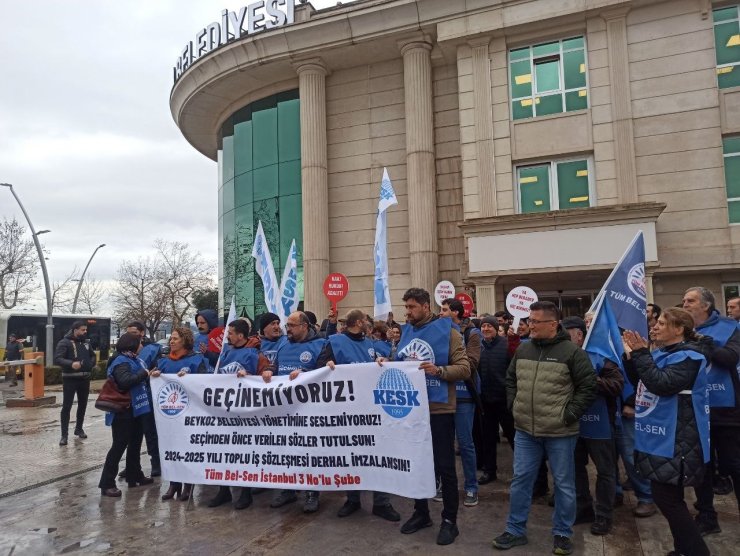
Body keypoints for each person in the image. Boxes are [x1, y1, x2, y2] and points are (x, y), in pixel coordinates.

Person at [493, 301, 596, 555]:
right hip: (526, 431)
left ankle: (562, 533)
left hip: (560, 432)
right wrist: (514, 405)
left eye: (535, 322)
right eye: (530, 320)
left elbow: (588, 387)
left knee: (563, 484)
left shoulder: (572, 353)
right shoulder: (524, 350)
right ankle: (515, 530)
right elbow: (511, 379)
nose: (530, 325)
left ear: (553, 324)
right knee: (520, 482)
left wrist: (569, 415)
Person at [623, 308, 711, 556]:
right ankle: (683, 549)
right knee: (668, 499)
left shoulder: (690, 356)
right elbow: (643, 379)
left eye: (662, 323)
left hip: (678, 439)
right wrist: (631, 357)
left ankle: (697, 552)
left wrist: (641, 354)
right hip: (662, 436)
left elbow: (662, 384)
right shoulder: (663, 352)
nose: (655, 326)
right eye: (657, 322)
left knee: (668, 500)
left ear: (679, 329)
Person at [393, 288, 471, 546]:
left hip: (438, 409)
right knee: (417, 464)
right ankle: (421, 512)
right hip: (412, 410)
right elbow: (400, 365)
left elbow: (464, 368)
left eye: (412, 307)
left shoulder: (448, 333)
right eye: (406, 307)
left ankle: (450, 520)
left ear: (426, 306)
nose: (407, 312)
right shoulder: (406, 333)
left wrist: (439, 370)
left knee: (445, 467)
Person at [315, 309, 400, 522]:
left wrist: (381, 361)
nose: (368, 324)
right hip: (347, 411)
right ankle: (353, 499)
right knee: (351, 456)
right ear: (359, 322)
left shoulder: (369, 342)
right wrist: (327, 366)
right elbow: (318, 368)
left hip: (371, 408)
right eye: (366, 321)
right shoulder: (334, 342)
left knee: (378, 455)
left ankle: (382, 502)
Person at [682, 286, 740, 536]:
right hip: (695, 409)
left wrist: (701, 341)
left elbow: (730, 358)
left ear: (705, 306)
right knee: (702, 468)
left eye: (690, 300)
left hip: (726, 411)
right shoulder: (682, 331)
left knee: (735, 467)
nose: (685, 304)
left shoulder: (730, 328)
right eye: (684, 300)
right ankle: (707, 516)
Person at [562, 316, 622, 536]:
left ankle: (604, 515)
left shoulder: (601, 357)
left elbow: (616, 385)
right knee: (576, 470)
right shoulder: (561, 356)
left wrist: (589, 379)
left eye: (566, 335)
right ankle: (584, 508)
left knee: (605, 472)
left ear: (579, 335)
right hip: (572, 424)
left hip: (600, 425)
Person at [265, 311, 327, 513]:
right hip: (284, 409)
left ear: (304, 326)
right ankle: (288, 489)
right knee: (286, 450)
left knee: (309, 452)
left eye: (291, 325)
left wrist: (306, 375)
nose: (287, 329)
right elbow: (276, 368)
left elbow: (325, 374)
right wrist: (268, 371)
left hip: (310, 409)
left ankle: (311, 493)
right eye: (287, 325)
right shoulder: (283, 343)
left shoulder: (322, 345)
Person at [208, 319, 269, 510]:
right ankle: (224, 491)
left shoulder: (256, 355)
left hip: (246, 414)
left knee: (244, 454)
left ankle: (245, 493)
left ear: (241, 335)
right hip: (227, 412)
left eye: (231, 333)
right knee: (223, 452)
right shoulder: (226, 353)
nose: (227, 336)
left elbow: (268, 377)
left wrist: (252, 377)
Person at [150, 327, 208, 502]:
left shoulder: (197, 360)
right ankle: (174, 484)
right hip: (169, 415)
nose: (171, 341)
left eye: (175, 338)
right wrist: (154, 376)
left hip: (189, 413)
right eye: (171, 339)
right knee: (172, 448)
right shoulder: (163, 362)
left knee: (188, 448)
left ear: (185, 340)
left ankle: (188, 484)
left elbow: (204, 384)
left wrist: (190, 378)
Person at [98, 333, 154, 497]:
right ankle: (107, 483)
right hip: (123, 411)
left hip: (136, 409)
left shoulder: (134, 360)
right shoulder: (120, 362)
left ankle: (134, 474)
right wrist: (145, 374)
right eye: (139, 343)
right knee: (119, 446)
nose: (142, 346)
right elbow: (124, 382)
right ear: (132, 346)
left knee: (135, 444)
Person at [440, 297, 481, 507]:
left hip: (464, 395)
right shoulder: (438, 332)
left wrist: (443, 366)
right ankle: (444, 485)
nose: (441, 313)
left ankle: (472, 487)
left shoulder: (472, 333)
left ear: (456, 313)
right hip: (442, 395)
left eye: (445, 310)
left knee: (465, 444)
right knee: (443, 444)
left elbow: (471, 363)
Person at [120, 321, 161, 477]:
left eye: (134, 332)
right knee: (132, 435)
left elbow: (157, 368)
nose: (131, 335)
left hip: (147, 396)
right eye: (128, 332)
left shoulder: (152, 350)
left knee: (149, 431)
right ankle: (132, 465)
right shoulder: (124, 352)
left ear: (142, 333)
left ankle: (155, 463)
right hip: (131, 396)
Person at [477, 316, 513, 485]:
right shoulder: (478, 347)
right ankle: (489, 471)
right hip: (485, 401)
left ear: (495, 328)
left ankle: (521, 472)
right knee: (488, 438)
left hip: (504, 400)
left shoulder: (505, 345)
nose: (485, 329)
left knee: (513, 437)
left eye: (489, 326)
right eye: (483, 326)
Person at [54, 321, 96, 446]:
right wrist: (71, 364)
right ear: (75, 330)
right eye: (82, 330)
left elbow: (92, 355)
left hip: (84, 379)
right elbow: (58, 359)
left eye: (85, 330)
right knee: (67, 406)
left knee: (82, 405)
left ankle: (79, 428)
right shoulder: (64, 342)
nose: (85, 332)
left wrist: (91, 363)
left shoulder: (86, 343)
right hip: (70, 379)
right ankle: (64, 435)